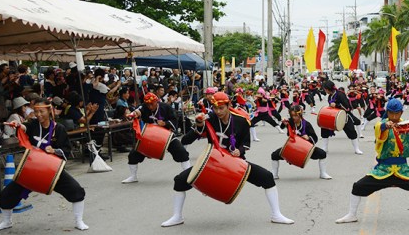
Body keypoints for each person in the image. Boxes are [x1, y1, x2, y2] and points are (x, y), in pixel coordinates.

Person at [160, 92, 293, 227]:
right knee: (179, 181)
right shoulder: (209, 119)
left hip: (235, 162)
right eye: (215, 108)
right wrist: (199, 124)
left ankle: (276, 214)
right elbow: (186, 139)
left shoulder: (241, 121)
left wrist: (239, 151)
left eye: (221, 108)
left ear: (229, 105)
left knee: (267, 178)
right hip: (213, 163)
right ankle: (177, 216)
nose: (218, 111)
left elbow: (246, 143)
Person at [335, 99, 409, 227]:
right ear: (387, 112)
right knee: (358, 186)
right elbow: (379, 130)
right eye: (391, 113)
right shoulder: (381, 124)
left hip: (403, 170)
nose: (393, 116)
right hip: (383, 170)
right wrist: (385, 126)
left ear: (401, 113)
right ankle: (352, 215)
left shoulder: (408, 126)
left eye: (396, 113)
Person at [0, 100, 89, 231]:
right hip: (32, 168)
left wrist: (54, 150)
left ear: (49, 111)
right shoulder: (33, 125)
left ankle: (79, 221)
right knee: (6, 195)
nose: (38, 114)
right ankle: (7, 221)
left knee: (76, 190)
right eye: (36, 111)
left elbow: (66, 150)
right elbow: (24, 127)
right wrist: (18, 125)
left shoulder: (58, 129)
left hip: (52, 170)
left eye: (41, 111)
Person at [122, 92, 191, 184]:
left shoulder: (166, 107)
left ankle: (188, 176)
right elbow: (138, 111)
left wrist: (165, 123)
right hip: (150, 136)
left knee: (181, 151)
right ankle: (133, 176)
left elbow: (174, 120)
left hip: (166, 135)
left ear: (156, 102)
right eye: (148, 104)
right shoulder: (144, 107)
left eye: (152, 104)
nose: (150, 106)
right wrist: (133, 114)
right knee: (133, 154)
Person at [271, 104, 331, 180]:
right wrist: (284, 122)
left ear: (300, 114)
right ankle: (274, 175)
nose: (293, 117)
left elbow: (315, 138)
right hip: (292, 147)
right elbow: (282, 127)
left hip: (305, 148)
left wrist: (308, 138)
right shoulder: (290, 122)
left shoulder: (306, 124)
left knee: (322, 154)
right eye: (292, 115)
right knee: (274, 155)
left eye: (295, 115)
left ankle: (323, 173)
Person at [319, 80, 364, 155]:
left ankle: (357, 149)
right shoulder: (330, 96)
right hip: (334, 116)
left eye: (325, 89)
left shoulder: (340, 94)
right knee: (324, 127)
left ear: (328, 89)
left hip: (344, 115)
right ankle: (325, 148)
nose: (325, 90)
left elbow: (347, 107)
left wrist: (337, 105)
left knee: (351, 131)